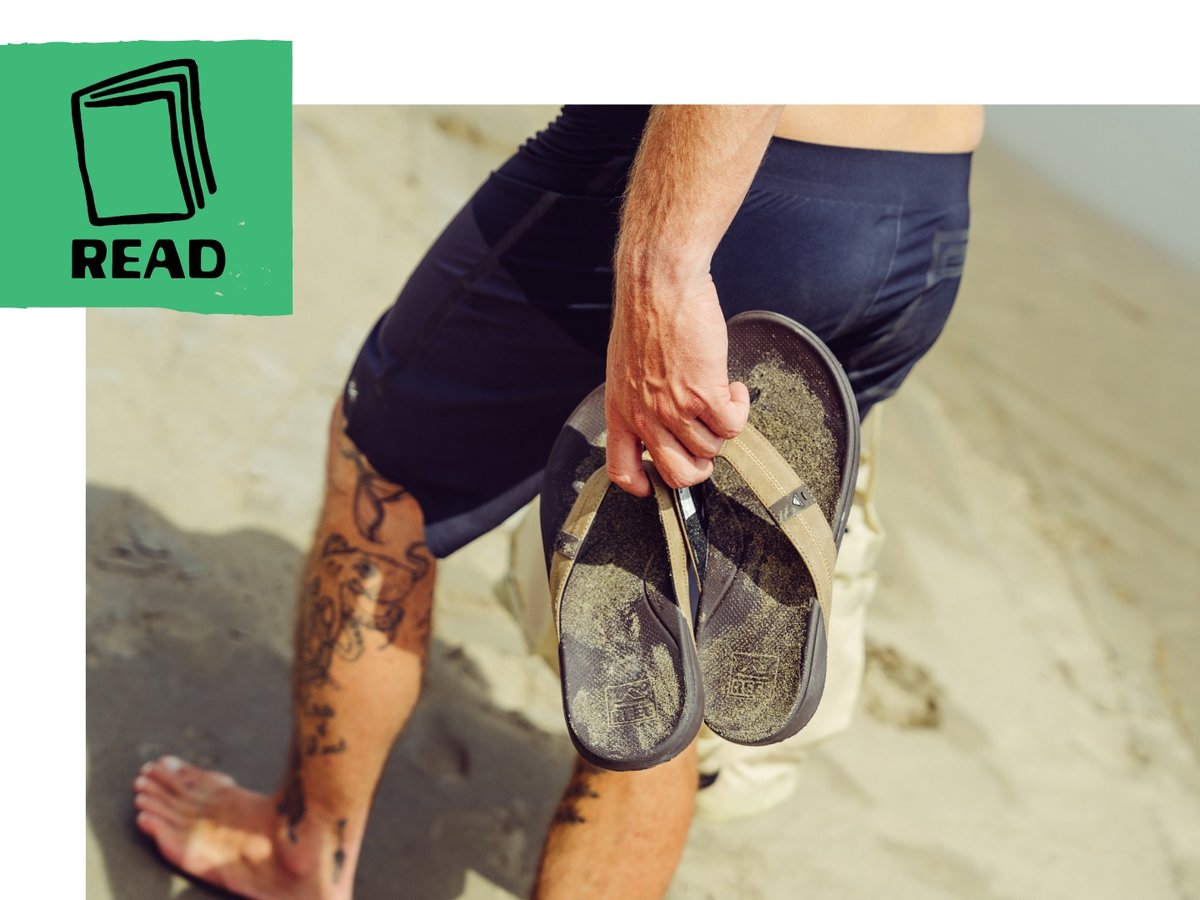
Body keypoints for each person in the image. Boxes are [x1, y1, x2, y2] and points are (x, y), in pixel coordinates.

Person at [131, 105, 982, 899]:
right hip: (922, 211)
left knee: (382, 485)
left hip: (724, 170)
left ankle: (301, 854)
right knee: (676, 606)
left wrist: (665, 271)